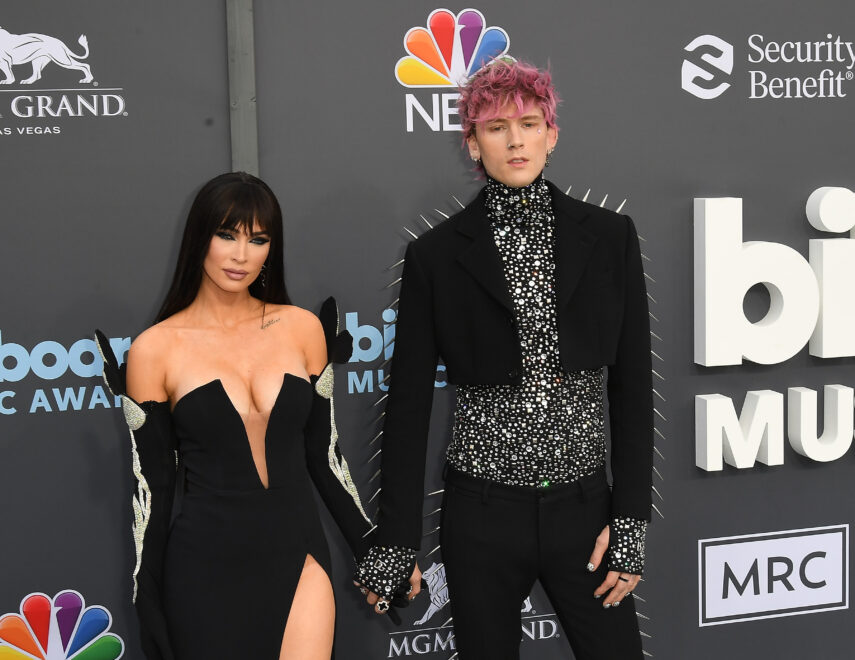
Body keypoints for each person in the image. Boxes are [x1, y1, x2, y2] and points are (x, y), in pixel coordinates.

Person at [354, 60, 654, 659]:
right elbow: (409, 407)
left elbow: (632, 387)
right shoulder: (435, 257)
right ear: (472, 143)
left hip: (584, 512)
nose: (515, 140)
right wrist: (395, 543)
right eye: (495, 128)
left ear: (552, 134)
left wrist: (630, 523)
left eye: (529, 123)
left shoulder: (610, 236)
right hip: (482, 516)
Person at [95, 172, 373, 660]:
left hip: (299, 552)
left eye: (258, 239)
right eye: (227, 234)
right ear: (199, 236)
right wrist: (148, 602)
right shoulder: (154, 350)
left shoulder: (301, 329)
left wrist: (374, 548)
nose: (241, 255)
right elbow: (153, 490)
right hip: (204, 566)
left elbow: (325, 458)